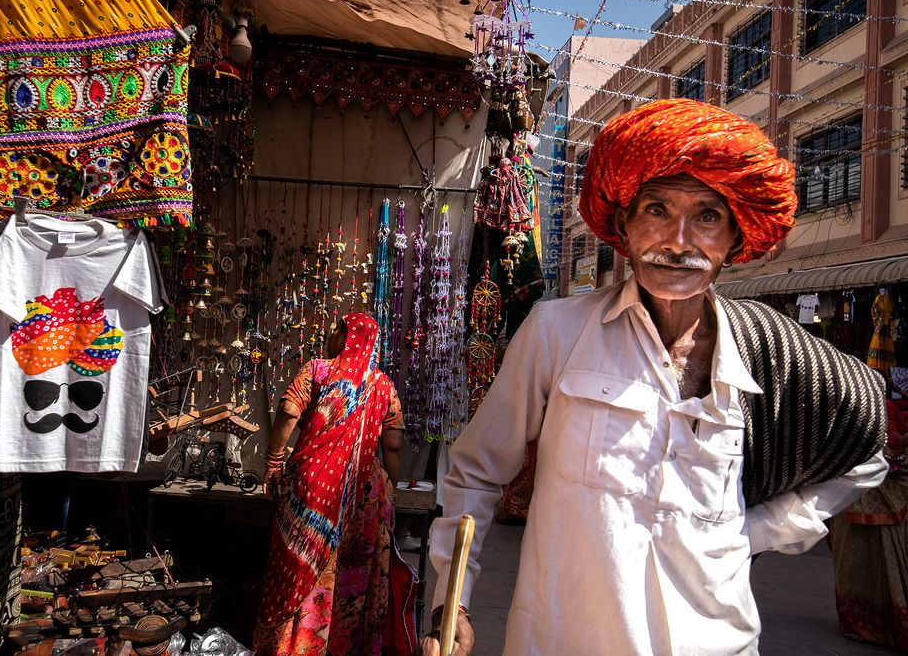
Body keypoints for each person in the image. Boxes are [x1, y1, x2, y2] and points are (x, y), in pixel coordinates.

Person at [421, 98, 890, 655]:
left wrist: (754, 531)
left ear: (735, 238)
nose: (677, 240)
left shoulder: (767, 351)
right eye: (657, 210)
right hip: (566, 638)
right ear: (624, 224)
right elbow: (476, 473)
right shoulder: (556, 332)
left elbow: (868, 453)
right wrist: (452, 601)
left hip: (717, 641)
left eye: (707, 217)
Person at [254, 313, 405, 656]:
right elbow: (393, 446)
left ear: (347, 337)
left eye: (337, 329)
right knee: (351, 574)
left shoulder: (317, 371)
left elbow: (289, 412)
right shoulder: (384, 386)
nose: (330, 335)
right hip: (364, 495)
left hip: (312, 489)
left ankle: (290, 647)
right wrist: (390, 489)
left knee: (297, 569)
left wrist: (273, 462)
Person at [829, 398, 908, 651]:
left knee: (871, 559)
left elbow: (893, 444)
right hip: (859, 493)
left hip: (870, 493)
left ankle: (867, 622)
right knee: (858, 560)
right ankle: (862, 622)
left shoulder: (882, 406)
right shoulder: (871, 406)